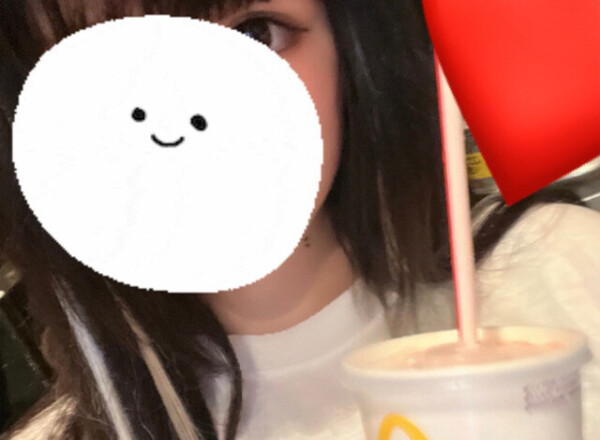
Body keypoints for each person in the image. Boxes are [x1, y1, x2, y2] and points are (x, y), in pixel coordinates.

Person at [0, 0, 599, 439]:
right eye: (103, 69)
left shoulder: (573, 267)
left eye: (254, 36)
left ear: (352, 50)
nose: (178, 118)